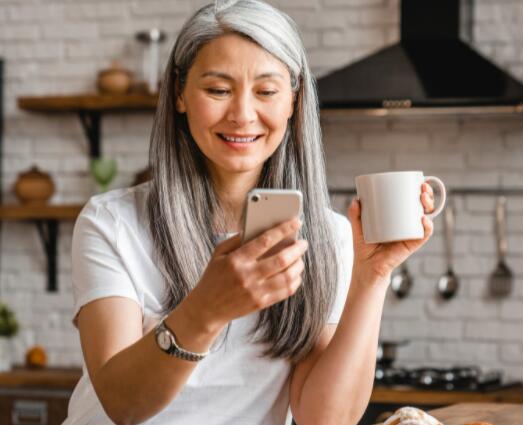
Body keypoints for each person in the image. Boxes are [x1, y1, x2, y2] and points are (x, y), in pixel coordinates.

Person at [64, 1, 437, 424]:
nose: (242, 115)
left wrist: (372, 277)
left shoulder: (325, 236)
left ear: (294, 102)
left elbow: (325, 418)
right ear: (181, 95)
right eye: (219, 90)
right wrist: (206, 310)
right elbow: (122, 404)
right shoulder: (112, 223)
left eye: (266, 91)